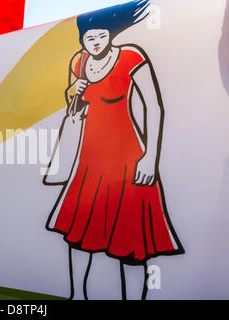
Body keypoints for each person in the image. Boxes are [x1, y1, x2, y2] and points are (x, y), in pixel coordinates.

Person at [45, 0, 184, 300]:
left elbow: (154, 107)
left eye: (101, 36)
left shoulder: (131, 56)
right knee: (79, 234)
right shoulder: (78, 63)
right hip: (90, 159)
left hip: (128, 156)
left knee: (132, 241)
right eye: (89, 38)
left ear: (111, 36)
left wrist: (151, 156)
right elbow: (75, 112)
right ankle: (77, 297)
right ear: (82, 40)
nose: (95, 43)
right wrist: (74, 93)